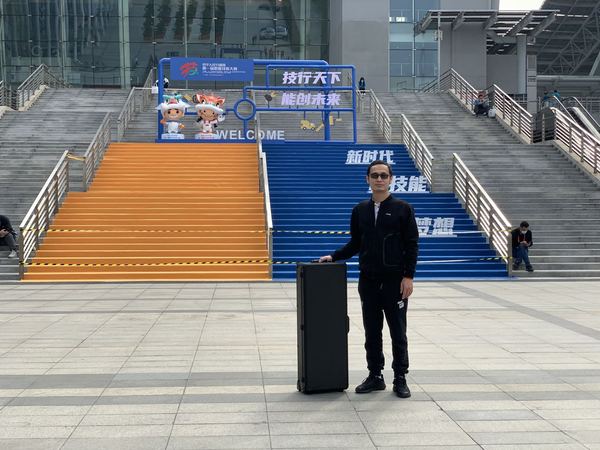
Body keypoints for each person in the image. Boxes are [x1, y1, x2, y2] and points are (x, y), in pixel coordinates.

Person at [319, 160, 419, 398]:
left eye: (384, 175)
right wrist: (334, 256)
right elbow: (356, 243)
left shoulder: (403, 208)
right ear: (367, 179)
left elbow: (412, 245)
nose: (379, 179)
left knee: (398, 331)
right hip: (368, 281)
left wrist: (408, 276)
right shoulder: (360, 210)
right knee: (372, 331)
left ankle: (400, 377)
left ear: (390, 179)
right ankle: (375, 375)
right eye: (375, 175)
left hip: (395, 281)